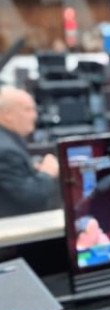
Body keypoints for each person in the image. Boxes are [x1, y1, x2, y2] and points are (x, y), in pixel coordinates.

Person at [0, 87, 60, 216]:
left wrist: (32, 166)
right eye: (28, 109)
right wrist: (48, 173)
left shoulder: (8, 140)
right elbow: (32, 199)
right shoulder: (6, 151)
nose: (34, 116)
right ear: (7, 114)